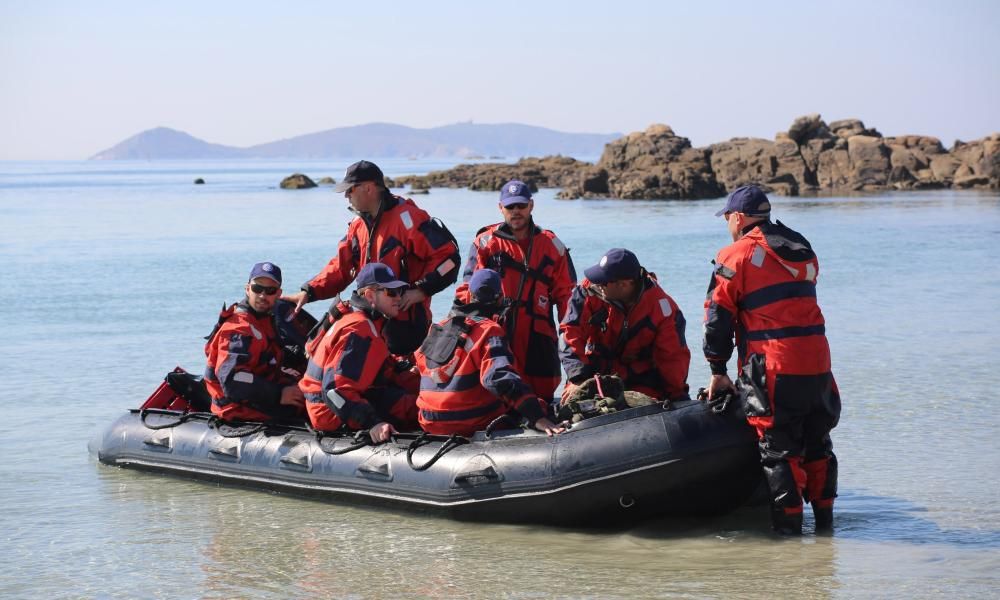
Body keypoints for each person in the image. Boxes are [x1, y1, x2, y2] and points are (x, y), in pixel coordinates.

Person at [703, 185, 840, 535]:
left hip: (775, 365)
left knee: (779, 451)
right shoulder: (802, 247)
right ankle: (826, 531)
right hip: (818, 364)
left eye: (728, 220)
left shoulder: (737, 255)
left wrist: (717, 369)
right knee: (818, 445)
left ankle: (789, 540)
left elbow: (717, 316)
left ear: (737, 218)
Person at [284, 160, 461, 355]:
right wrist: (309, 292)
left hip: (405, 326)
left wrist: (421, 290)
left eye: (350, 190)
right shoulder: (358, 225)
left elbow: (449, 259)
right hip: (368, 319)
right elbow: (341, 268)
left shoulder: (408, 218)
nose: (346, 195)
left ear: (368, 188)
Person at [456, 180, 576, 402]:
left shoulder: (552, 245)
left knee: (542, 391)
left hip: (537, 333)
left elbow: (569, 300)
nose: (516, 211)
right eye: (510, 207)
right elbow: (467, 293)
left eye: (521, 206)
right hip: (498, 331)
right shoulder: (486, 243)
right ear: (500, 208)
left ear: (531, 205)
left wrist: (573, 353)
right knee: (497, 390)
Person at [415, 269, 565, 437]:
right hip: (470, 422)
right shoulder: (489, 330)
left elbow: (419, 369)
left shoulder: (437, 328)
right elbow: (497, 377)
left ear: (470, 296)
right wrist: (537, 416)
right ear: (499, 298)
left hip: (428, 421)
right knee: (538, 406)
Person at [298, 263, 420, 443]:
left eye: (400, 291)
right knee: (411, 406)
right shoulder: (359, 329)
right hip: (332, 412)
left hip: (343, 398)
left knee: (414, 385)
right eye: (391, 292)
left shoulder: (360, 318)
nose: (398, 298)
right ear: (370, 295)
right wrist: (372, 423)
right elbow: (334, 392)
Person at [559, 248, 691, 404]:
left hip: (639, 378)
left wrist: (678, 396)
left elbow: (673, 356)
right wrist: (577, 378)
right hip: (593, 374)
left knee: (646, 403)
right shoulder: (589, 291)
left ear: (624, 284)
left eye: (604, 281)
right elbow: (570, 331)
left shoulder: (662, 309)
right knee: (573, 402)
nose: (598, 283)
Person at [204, 262, 305, 421]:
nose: (262, 296)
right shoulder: (238, 329)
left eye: (270, 291)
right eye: (257, 288)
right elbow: (232, 381)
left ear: (279, 294)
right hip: (235, 405)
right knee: (304, 407)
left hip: (256, 390)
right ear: (247, 289)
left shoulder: (263, 320)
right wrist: (279, 394)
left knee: (308, 388)